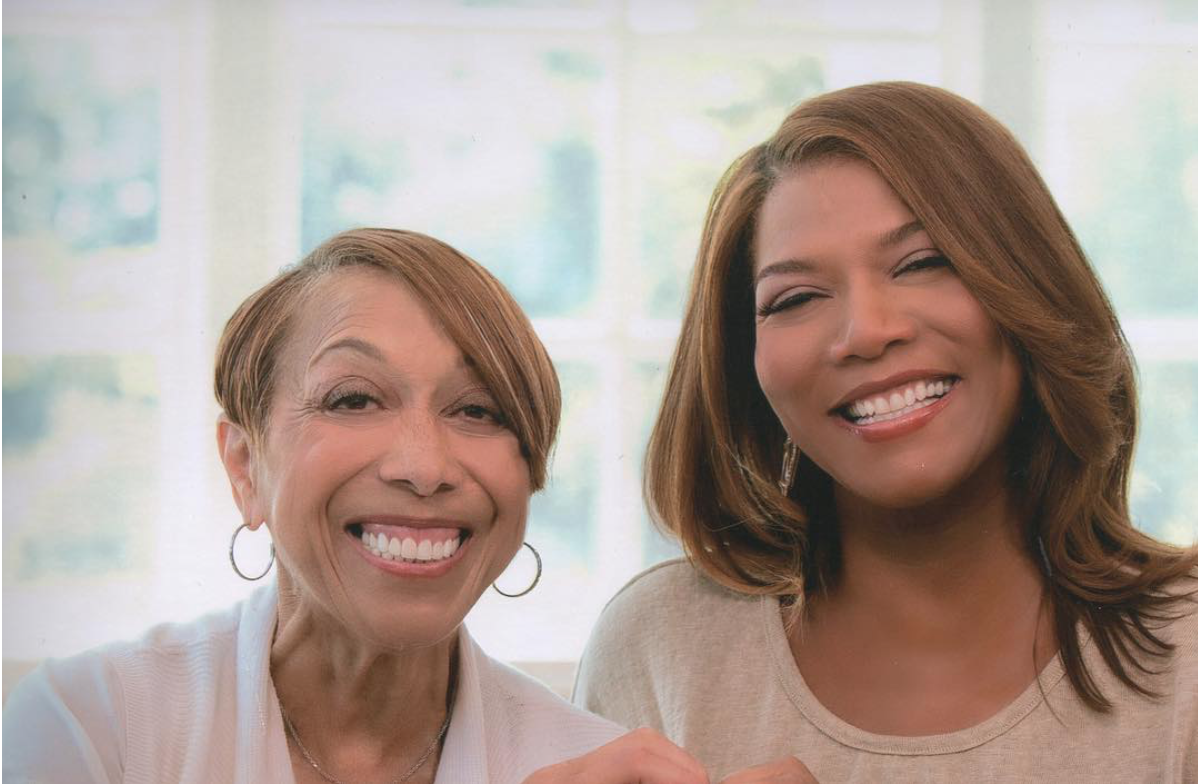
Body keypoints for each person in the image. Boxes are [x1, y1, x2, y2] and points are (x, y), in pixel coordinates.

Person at [573, 82, 1198, 782]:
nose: (866, 332)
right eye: (797, 298)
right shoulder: (659, 646)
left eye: (923, 262)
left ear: (1030, 285)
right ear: (745, 365)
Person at [1, 228, 716, 783]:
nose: (425, 467)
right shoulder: (93, 728)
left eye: (478, 410)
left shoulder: (590, 762)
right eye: (353, 399)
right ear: (245, 466)